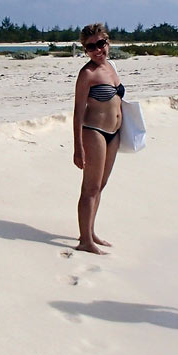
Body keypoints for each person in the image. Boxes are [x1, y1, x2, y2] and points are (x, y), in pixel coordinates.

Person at [72, 23, 124, 254]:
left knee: (101, 185)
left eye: (100, 43)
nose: (97, 50)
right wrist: (78, 148)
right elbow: (77, 111)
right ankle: (85, 241)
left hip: (114, 134)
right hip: (94, 132)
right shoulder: (87, 74)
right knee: (90, 188)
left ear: (107, 42)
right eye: (90, 47)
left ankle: (90, 232)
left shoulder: (111, 67)